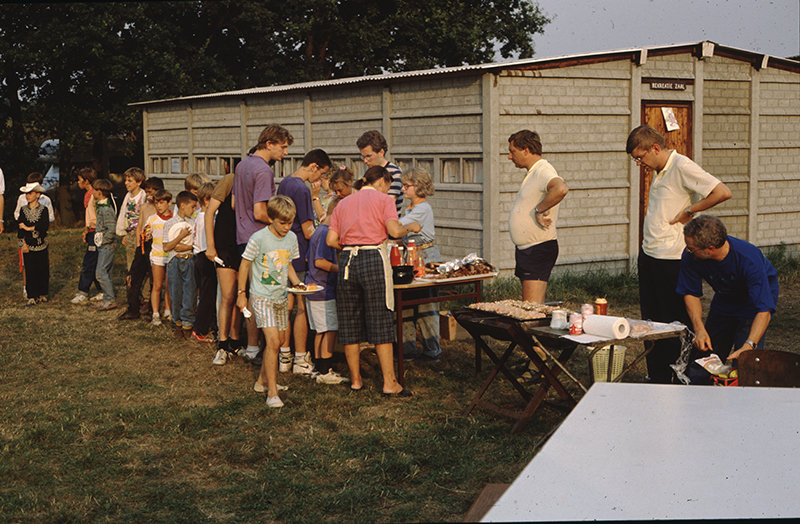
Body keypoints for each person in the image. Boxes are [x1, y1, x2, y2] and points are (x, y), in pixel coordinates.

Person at [626, 125, 732, 383]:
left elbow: (722, 191)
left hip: (672, 259)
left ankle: (679, 377)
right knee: (651, 324)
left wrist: (691, 210)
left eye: (641, 157)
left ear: (655, 148)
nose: (639, 163)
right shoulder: (659, 170)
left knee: (674, 324)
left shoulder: (681, 165)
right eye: (635, 160)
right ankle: (657, 376)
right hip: (650, 255)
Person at [326, 165, 420, 396]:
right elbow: (394, 231)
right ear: (383, 182)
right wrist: (410, 227)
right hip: (372, 257)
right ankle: (389, 383)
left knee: (349, 320)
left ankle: (356, 380)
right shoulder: (383, 200)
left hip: (348, 260)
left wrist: (350, 244)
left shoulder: (344, 202)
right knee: (380, 318)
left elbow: (331, 239)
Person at [676, 215, 779, 383]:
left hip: (753, 304)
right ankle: (699, 394)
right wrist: (700, 329)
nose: (687, 250)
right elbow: (690, 292)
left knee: (746, 361)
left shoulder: (748, 259)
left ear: (709, 249)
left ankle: (744, 399)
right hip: (725, 297)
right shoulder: (691, 255)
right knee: (705, 355)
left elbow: (764, 309)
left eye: (691, 248)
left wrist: (749, 344)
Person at [233, 124, 293, 362]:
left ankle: (252, 347)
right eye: (283, 147)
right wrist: (281, 221)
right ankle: (261, 349)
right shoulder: (264, 170)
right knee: (263, 298)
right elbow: (260, 211)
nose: (285, 153)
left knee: (253, 295)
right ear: (269, 144)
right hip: (259, 239)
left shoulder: (242, 165)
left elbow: (236, 205)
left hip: (242, 237)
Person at [237, 195, 303, 408]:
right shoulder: (259, 238)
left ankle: (261, 381)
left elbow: (288, 265)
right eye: (282, 223)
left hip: (281, 296)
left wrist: (297, 283)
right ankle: (272, 393)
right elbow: (245, 265)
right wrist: (241, 293)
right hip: (261, 296)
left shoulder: (292, 238)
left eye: (290, 223)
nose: (286, 227)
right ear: (271, 219)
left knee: (280, 340)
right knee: (273, 342)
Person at [276, 148, 332, 375]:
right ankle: (299, 357)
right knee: (299, 307)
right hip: (299, 252)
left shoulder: (285, 182)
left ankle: (284, 354)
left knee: (283, 306)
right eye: (321, 174)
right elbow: (309, 230)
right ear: (314, 167)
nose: (319, 180)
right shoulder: (301, 188)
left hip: (283, 251)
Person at [507, 130, 569, 304]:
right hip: (528, 249)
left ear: (526, 150)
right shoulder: (533, 173)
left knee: (531, 310)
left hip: (538, 249)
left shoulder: (543, 170)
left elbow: (561, 188)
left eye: (513, 152)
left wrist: (539, 210)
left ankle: (532, 332)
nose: (510, 157)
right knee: (531, 308)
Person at [398, 168, 442, 361]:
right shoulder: (410, 208)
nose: (403, 189)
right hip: (411, 253)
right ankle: (407, 348)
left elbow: (398, 227)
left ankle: (432, 349)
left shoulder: (422, 209)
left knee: (425, 304)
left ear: (419, 187)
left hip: (425, 254)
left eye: (407, 186)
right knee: (406, 303)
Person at [305, 196, 348, 384]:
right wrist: (342, 267)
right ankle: (325, 370)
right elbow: (319, 261)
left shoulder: (319, 230)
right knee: (330, 329)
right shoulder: (325, 233)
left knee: (320, 330)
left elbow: (309, 259)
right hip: (323, 290)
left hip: (315, 288)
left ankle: (319, 366)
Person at [206, 171, 245, 365]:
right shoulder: (231, 179)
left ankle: (236, 341)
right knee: (228, 295)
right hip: (225, 242)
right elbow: (209, 212)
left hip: (244, 242)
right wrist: (210, 245)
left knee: (240, 293)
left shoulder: (260, 180)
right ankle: (222, 343)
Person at [119, 177, 164, 320]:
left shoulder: (161, 208)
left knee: (153, 280)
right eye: (148, 192)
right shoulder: (144, 207)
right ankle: (133, 308)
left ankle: (152, 309)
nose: (150, 195)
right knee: (133, 277)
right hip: (143, 245)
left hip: (155, 246)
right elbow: (139, 227)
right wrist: (139, 246)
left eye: (152, 192)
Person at [163, 191, 199, 340]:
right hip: (174, 261)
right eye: (192, 206)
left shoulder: (193, 223)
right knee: (175, 292)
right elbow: (166, 247)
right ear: (182, 206)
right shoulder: (169, 224)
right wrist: (180, 236)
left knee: (189, 292)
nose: (194, 209)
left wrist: (185, 247)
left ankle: (187, 323)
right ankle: (177, 322)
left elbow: (195, 244)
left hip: (189, 260)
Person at [70, 167, 104, 304]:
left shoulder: (95, 196)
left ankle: (83, 291)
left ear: (86, 181)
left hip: (96, 232)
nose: (78, 183)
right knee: (94, 261)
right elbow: (89, 216)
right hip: (90, 232)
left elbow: (99, 216)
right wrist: (86, 230)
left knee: (89, 263)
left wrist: (94, 229)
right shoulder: (87, 195)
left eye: (79, 180)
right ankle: (102, 290)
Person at [192, 182, 217, 343]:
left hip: (198, 256)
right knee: (208, 296)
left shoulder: (198, 217)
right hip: (204, 257)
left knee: (205, 294)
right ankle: (200, 330)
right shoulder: (206, 219)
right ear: (207, 200)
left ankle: (206, 326)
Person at [17, 182, 50, 306]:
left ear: (37, 194)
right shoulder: (23, 210)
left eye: (30, 193)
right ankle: (31, 295)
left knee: (42, 269)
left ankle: (42, 293)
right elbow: (19, 229)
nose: (27, 196)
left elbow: (44, 227)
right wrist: (22, 245)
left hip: (41, 244)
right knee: (30, 269)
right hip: (28, 245)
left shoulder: (44, 210)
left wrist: (28, 228)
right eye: (26, 193)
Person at [144, 189, 174, 325]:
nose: (159, 206)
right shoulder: (152, 219)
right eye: (157, 203)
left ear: (169, 203)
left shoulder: (175, 219)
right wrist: (145, 235)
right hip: (156, 256)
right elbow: (146, 234)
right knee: (157, 285)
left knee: (169, 285)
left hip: (171, 256)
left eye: (162, 203)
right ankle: (156, 313)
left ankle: (168, 311)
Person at [356, 130, 403, 214]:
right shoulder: (370, 171)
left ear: (381, 152)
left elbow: (388, 203)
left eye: (369, 156)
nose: (365, 161)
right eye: (363, 157)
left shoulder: (394, 172)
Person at [92, 178, 118, 311]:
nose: (92, 193)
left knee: (100, 272)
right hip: (104, 245)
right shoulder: (101, 207)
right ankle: (107, 298)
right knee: (106, 272)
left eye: (94, 190)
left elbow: (111, 228)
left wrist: (103, 240)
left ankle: (110, 299)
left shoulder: (106, 209)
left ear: (100, 192)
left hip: (107, 245)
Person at [115, 167, 146, 271]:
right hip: (130, 233)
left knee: (141, 263)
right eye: (125, 180)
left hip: (140, 233)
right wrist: (124, 232)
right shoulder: (128, 196)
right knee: (130, 262)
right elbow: (123, 213)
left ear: (139, 182)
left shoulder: (143, 196)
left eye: (130, 181)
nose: (126, 183)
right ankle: (131, 284)